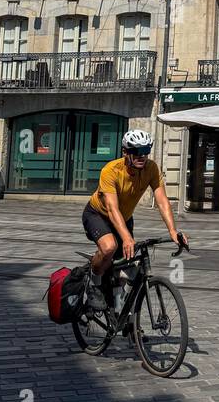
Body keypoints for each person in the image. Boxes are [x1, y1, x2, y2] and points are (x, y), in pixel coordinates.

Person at [81, 130, 188, 312]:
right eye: (137, 151)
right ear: (125, 152)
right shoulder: (111, 171)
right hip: (98, 215)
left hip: (124, 218)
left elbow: (162, 201)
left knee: (128, 268)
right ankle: (94, 282)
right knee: (109, 247)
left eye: (146, 150)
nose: (142, 156)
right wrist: (127, 238)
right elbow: (112, 209)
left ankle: (123, 317)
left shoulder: (151, 169)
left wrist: (172, 231)